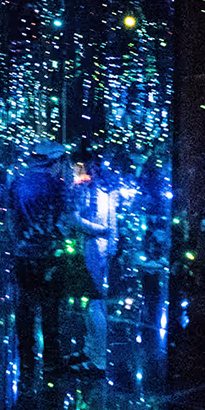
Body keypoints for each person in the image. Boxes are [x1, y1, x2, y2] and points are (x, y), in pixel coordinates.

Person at [7, 140, 71, 380]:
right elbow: (65, 220)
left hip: (23, 255)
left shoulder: (18, 181)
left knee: (24, 309)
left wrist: (19, 245)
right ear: (56, 161)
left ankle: (26, 361)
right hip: (48, 256)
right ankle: (51, 362)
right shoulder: (57, 185)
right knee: (50, 308)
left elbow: (11, 220)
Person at [70, 151, 119, 377]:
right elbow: (80, 220)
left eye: (93, 169)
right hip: (90, 251)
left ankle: (98, 358)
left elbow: (109, 227)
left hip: (94, 253)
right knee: (89, 305)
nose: (90, 173)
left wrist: (107, 245)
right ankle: (91, 351)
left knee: (93, 305)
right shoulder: (88, 193)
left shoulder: (104, 196)